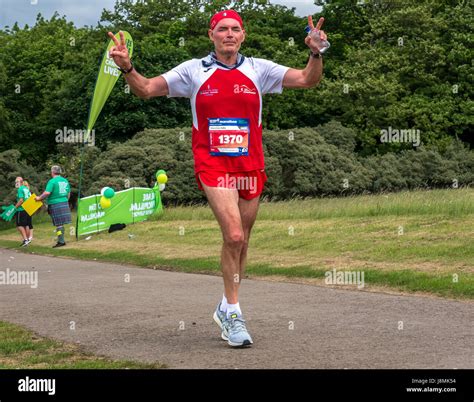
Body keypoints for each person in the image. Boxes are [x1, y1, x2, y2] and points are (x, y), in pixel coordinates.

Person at [108, 10, 327, 347]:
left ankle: (227, 305)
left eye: (235, 29)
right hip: (212, 164)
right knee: (234, 233)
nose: (229, 34)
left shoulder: (259, 69)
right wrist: (127, 67)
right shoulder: (193, 71)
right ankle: (235, 313)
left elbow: (307, 80)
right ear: (211, 34)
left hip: (251, 165)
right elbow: (147, 89)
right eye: (222, 29)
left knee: (241, 242)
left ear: (243, 35)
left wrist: (315, 52)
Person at [35, 165, 72, 248]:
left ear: (52, 172)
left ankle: (61, 241)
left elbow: (47, 193)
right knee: (60, 224)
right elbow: (68, 193)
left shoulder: (52, 181)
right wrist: (65, 201)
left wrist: (39, 198)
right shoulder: (65, 180)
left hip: (55, 204)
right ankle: (61, 239)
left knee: (58, 224)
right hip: (64, 202)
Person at [14, 177, 34, 247]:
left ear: (21, 182)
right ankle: (27, 240)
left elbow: (21, 200)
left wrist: (15, 207)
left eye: (17, 182)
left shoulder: (20, 189)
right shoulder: (26, 188)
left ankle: (25, 240)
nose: (16, 183)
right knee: (26, 225)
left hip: (21, 209)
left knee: (19, 225)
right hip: (28, 209)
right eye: (15, 182)